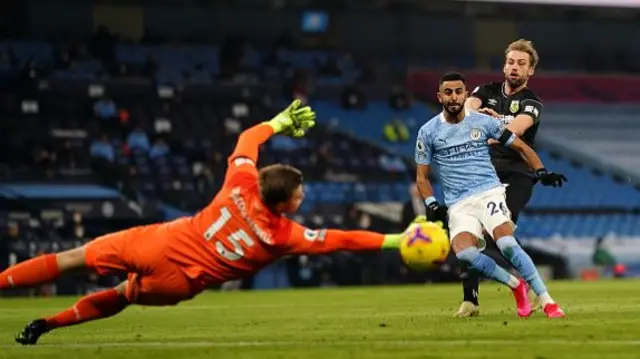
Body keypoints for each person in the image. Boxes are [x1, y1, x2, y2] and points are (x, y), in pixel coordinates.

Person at [3, 100, 410, 345]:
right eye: (299, 194)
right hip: (178, 283)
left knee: (73, 258)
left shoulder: (241, 182)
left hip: (162, 242)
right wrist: (396, 240)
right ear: (284, 203)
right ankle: (46, 324)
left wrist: (280, 122)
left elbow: (248, 138)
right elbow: (342, 239)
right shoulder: (283, 235)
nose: (303, 197)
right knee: (122, 296)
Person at [415, 71, 567, 319]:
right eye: (448, 92)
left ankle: (548, 301)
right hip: (459, 203)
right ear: (439, 96)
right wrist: (431, 203)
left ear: (465, 95)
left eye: (458, 92)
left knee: (506, 243)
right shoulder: (428, 132)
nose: (454, 97)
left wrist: (540, 170)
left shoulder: (483, 122)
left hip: (489, 192)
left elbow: (520, 145)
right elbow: (421, 177)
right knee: (465, 254)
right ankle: (516, 285)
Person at [457, 39, 556, 317]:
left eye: (521, 64)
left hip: (518, 172)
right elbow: (466, 111)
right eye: (511, 62)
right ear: (504, 66)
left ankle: (532, 286)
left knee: (498, 230)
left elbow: (515, 130)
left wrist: (491, 123)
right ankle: (470, 301)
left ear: (530, 71)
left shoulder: (531, 102)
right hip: (484, 171)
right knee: (469, 230)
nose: (515, 67)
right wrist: (476, 115)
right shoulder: (485, 91)